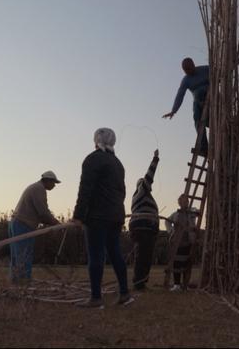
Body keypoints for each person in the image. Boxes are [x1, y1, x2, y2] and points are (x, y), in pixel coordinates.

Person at [72, 128, 134, 308]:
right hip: (116, 216)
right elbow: (122, 191)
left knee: (96, 254)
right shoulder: (117, 163)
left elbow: (85, 189)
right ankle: (124, 294)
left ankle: (96, 298)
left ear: (96, 141)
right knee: (115, 253)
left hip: (97, 217)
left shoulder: (93, 160)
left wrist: (78, 216)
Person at [9, 170, 61, 284]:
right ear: (47, 180)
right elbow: (43, 212)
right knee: (24, 255)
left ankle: (16, 282)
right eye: (53, 183)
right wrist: (56, 223)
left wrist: (52, 222)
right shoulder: (39, 189)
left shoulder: (34, 187)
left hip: (16, 222)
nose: (54, 186)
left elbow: (41, 214)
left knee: (16, 256)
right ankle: (24, 282)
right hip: (23, 224)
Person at [162, 57, 210, 155]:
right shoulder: (186, 80)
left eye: (188, 69)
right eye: (185, 70)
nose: (187, 72)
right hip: (199, 103)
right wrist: (174, 110)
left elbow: (220, 71)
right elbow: (180, 94)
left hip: (212, 98)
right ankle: (204, 146)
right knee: (197, 118)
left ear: (193, 65)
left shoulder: (205, 69)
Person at [128, 149, 161, 291]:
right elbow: (149, 177)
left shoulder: (142, 195)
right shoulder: (141, 190)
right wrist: (155, 159)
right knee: (143, 255)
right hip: (143, 228)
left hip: (146, 228)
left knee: (145, 255)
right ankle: (139, 283)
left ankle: (141, 281)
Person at [165, 194, 199, 291]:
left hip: (188, 242)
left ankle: (185, 284)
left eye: (186, 201)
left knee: (186, 263)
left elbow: (197, 211)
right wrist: (171, 231)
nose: (184, 203)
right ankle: (177, 284)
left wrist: (193, 211)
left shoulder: (191, 212)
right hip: (177, 242)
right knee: (176, 263)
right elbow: (167, 221)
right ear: (179, 203)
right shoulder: (176, 214)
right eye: (182, 201)